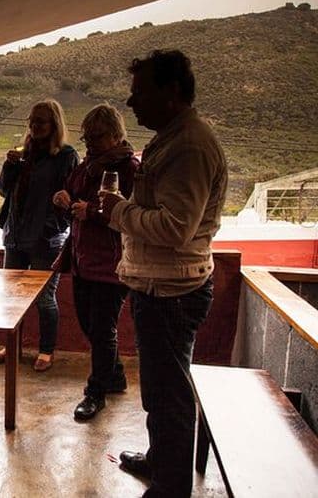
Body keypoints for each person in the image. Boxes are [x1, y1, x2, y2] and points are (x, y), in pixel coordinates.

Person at [101, 50, 227, 497]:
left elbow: (175, 227)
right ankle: (160, 462)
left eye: (140, 92)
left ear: (171, 91)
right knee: (160, 389)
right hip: (162, 286)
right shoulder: (173, 138)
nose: (131, 102)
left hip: (171, 292)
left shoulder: (189, 146)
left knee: (168, 395)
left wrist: (119, 212)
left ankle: (170, 488)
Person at [52, 104, 139, 420]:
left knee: (102, 330)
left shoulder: (129, 169)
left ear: (116, 135)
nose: (89, 143)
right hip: (82, 260)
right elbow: (73, 197)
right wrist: (63, 199)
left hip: (111, 265)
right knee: (90, 325)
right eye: (87, 137)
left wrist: (90, 212)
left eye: (97, 137)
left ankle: (95, 393)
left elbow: (130, 215)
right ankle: (114, 375)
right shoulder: (87, 165)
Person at [0, 99, 79, 372]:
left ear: (54, 124)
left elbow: (69, 196)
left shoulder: (66, 156)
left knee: (43, 298)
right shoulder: (23, 154)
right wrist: (9, 166)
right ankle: (11, 346)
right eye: (31, 120)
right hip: (15, 237)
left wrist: (50, 227)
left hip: (45, 241)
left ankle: (46, 350)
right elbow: (3, 190)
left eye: (40, 121)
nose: (34, 126)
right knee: (12, 297)